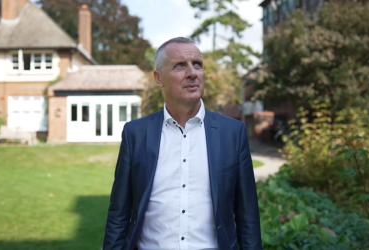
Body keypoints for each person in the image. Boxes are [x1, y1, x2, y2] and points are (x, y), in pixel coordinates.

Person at [102, 37, 262, 250]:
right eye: (180, 65)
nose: (192, 73)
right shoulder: (136, 134)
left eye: (197, 64)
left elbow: (247, 216)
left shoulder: (232, 133)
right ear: (159, 78)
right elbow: (118, 214)